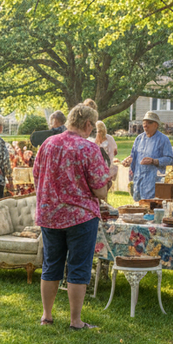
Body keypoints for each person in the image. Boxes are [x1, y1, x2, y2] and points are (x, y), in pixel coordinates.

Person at [33, 103, 110, 330]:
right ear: (88, 124)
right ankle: (75, 321)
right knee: (78, 267)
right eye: (92, 127)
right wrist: (110, 179)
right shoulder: (88, 148)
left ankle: (47, 316)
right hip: (80, 217)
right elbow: (100, 190)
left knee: (51, 265)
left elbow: (36, 176)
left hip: (49, 215)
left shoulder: (47, 144)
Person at [121, 111, 173, 200]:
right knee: (138, 208)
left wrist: (154, 161)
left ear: (156, 125)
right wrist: (127, 161)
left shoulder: (163, 139)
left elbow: (170, 159)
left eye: (149, 123)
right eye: (144, 122)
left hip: (153, 181)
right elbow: (133, 157)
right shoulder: (139, 139)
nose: (145, 125)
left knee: (150, 207)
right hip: (139, 181)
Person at [90, 121, 119, 189]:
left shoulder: (109, 138)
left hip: (107, 165)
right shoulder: (93, 140)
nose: (99, 133)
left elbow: (115, 151)